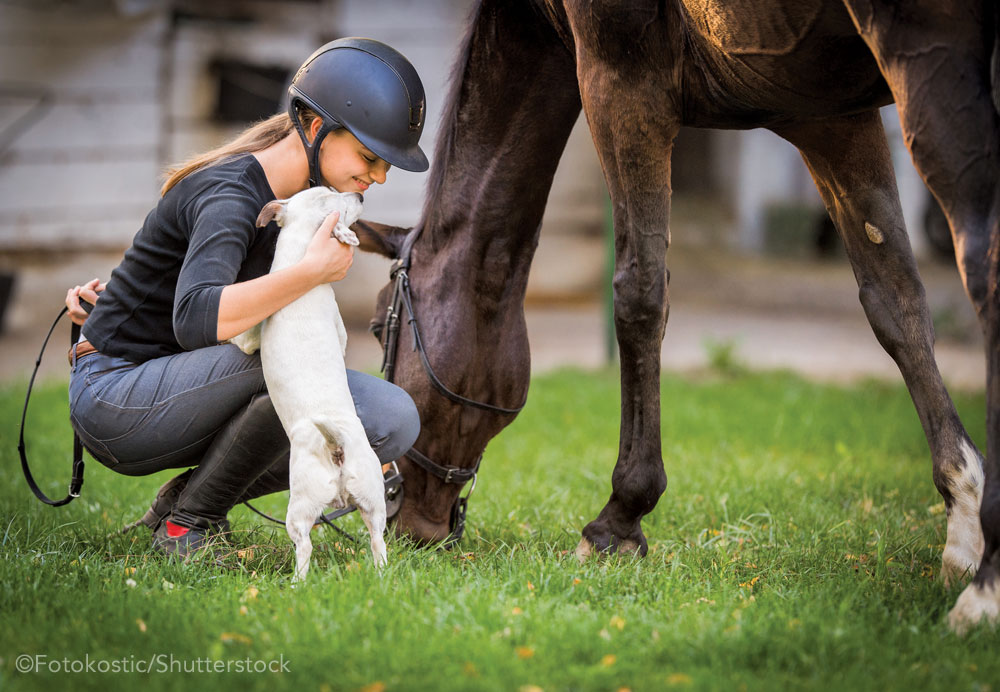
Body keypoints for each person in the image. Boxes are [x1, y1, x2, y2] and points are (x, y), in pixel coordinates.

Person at [64, 38, 426, 557]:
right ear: (316, 127)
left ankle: (190, 497)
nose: (380, 176)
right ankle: (188, 525)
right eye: (370, 156)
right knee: (288, 357)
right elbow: (195, 319)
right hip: (116, 400)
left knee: (391, 418)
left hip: (178, 385)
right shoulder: (231, 194)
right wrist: (308, 273)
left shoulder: (300, 204)